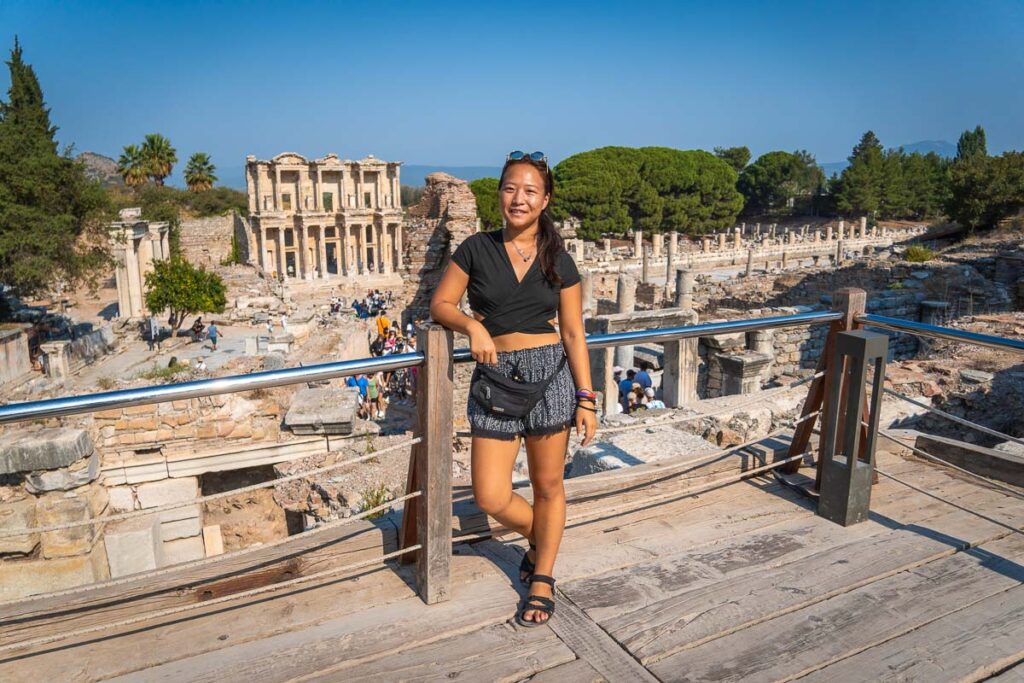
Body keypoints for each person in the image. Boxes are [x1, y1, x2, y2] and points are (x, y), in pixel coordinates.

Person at [429, 150, 597, 627]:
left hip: (551, 376)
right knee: (489, 495)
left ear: (544, 201)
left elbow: (572, 333)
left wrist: (587, 398)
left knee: (548, 486)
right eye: (509, 188)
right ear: (498, 194)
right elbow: (440, 304)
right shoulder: (475, 249)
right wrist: (471, 327)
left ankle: (542, 576)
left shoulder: (558, 258)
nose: (518, 198)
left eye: (529, 191)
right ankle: (543, 539)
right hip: (495, 379)